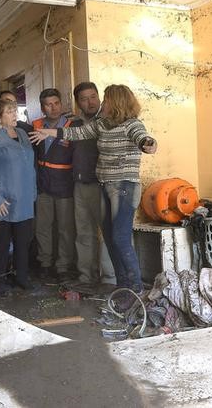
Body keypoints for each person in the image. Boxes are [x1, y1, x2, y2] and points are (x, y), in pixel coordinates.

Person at [29, 84, 157, 294]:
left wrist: (148, 144)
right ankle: (122, 288)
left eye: (105, 100)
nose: (101, 103)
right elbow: (76, 132)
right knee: (109, 235)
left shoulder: (132, 124)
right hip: (105, 186)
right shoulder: (102, 125)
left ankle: (135, 290)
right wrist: (48, 133)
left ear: (116, 103)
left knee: (120, 238)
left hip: (124, 187)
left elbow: (142, 138)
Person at [0, 96, 37, 296]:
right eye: (9, 112)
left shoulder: (22, 133)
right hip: (3, 201)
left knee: (23, 242)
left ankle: (21, 277)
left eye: (15, 111)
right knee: (1, 245)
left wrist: (33, 193)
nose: (15, 115)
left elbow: (30, 166)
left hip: (24, 199)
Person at [71, 82, 116, 287]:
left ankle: (109, 278)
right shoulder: (74, 124)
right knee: (83, 233)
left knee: (107, 233)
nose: (90, 102)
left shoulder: (108, 121)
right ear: (77, 102)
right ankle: (85, 276)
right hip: (80, 185)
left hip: (102, 185)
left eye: (93, 97)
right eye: (84, 98)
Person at [31, 88, 78, 282]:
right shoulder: (35, 125)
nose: (54, 107)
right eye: (49, 104)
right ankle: (45, 263)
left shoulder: (71, 126)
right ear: (42, 107)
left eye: (56, 103)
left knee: (65, 229)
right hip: (43, 185)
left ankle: (63, 266)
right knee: (43, 227)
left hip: (65, 185)